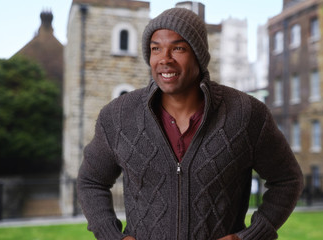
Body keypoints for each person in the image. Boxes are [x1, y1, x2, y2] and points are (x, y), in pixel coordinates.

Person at [77, 7, 303, 240]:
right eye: (156, 49)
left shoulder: (246, 113)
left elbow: (287, 179)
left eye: (178, 48)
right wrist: (113, 237)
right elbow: (90, 181)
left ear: (198, 54)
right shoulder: (118, 116)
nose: (165, 59)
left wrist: (251, 236)